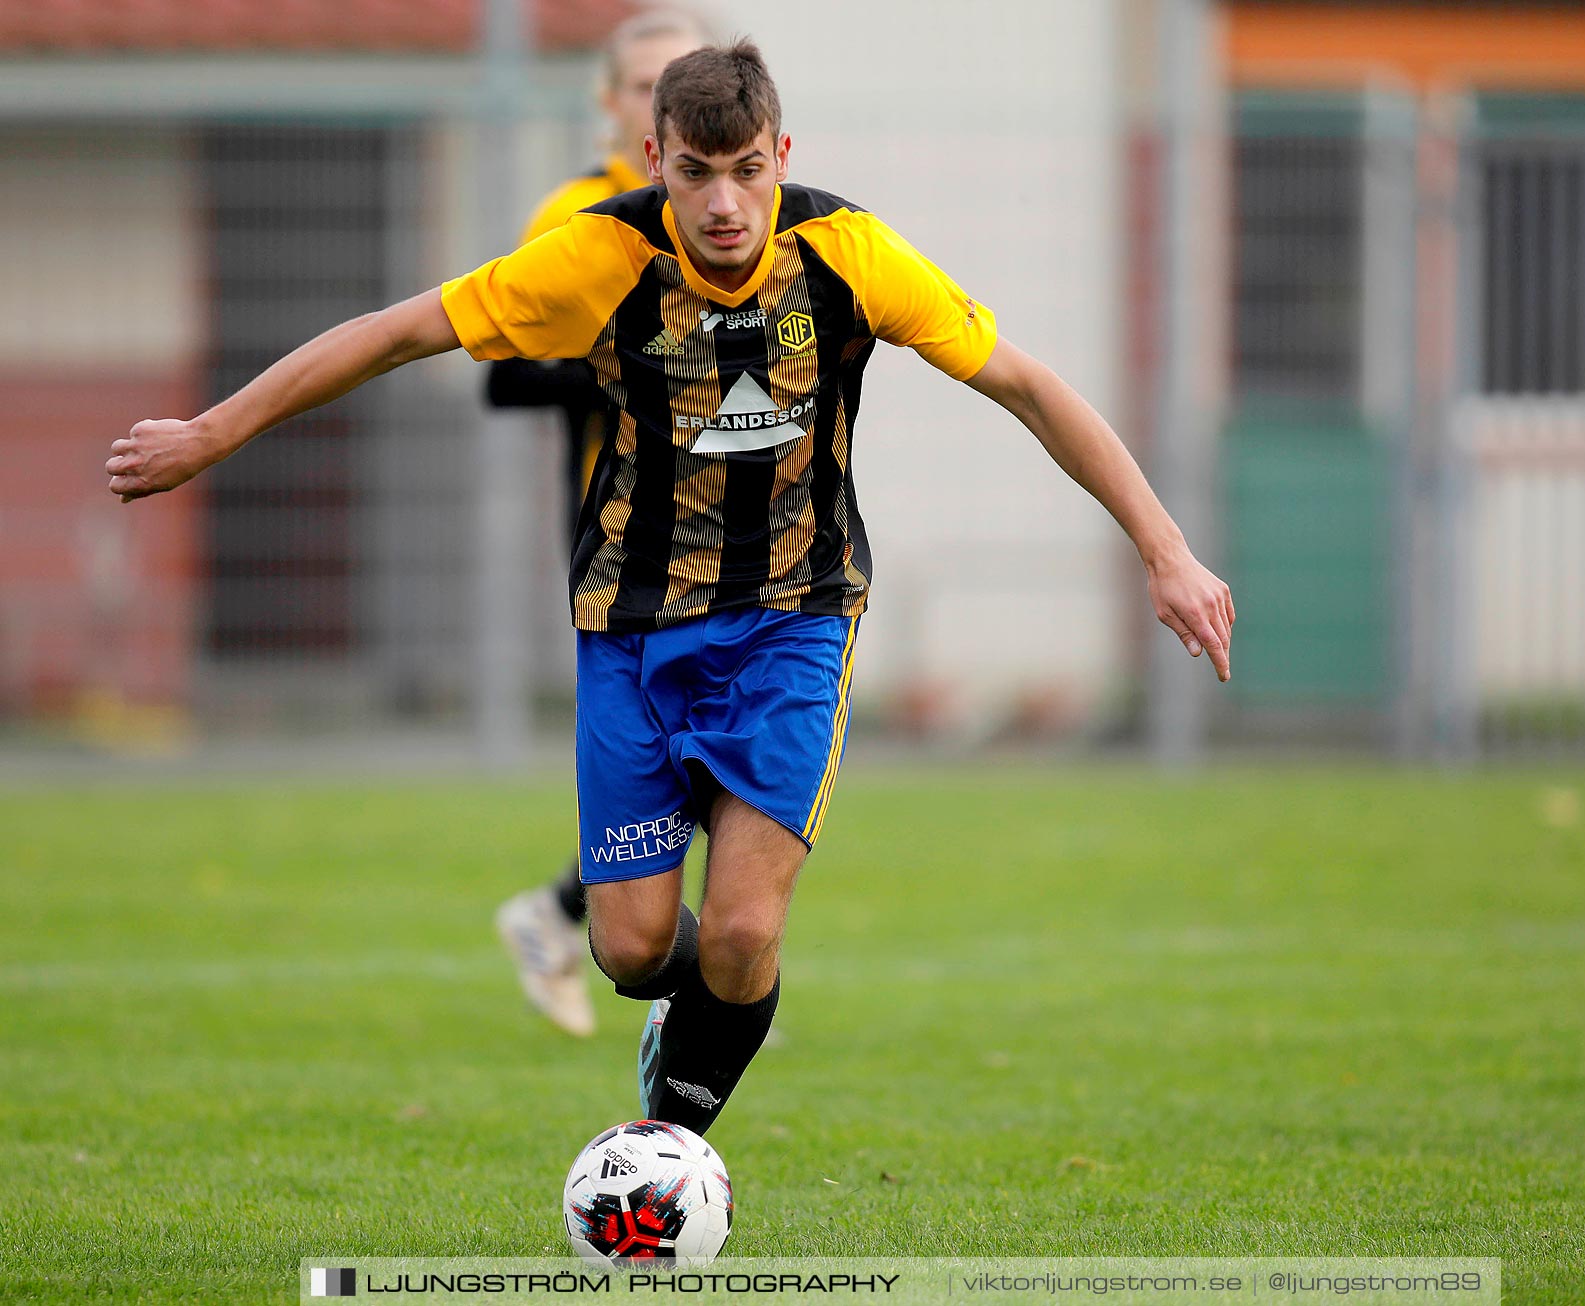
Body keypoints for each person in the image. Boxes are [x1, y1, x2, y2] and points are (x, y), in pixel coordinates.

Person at [105, 39, 1235, 1137]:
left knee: (743, 931)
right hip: (632, 627)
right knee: (631, 947)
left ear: (781, 153)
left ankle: (670, 1147)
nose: (726, 202)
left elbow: (1027, 384)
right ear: (656, 160)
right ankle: (695, 1016)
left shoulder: (851, 255)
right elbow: (398, 333)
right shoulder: (595, 259)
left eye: (747, 169)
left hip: (796, 619)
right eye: (696, 172)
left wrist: (1165, 548)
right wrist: (213, 431)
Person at [489, 7, 709, 1041]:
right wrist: (630, 357)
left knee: (733, 756)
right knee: (695, 760)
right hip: (627, 536)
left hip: (749, 536)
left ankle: (572, 918)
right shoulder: (579, 215)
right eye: (643, 83)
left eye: (684, 76)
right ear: (612, 104)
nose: (662, 98)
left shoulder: (735, 209)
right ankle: (639, 955)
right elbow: (506, 375)